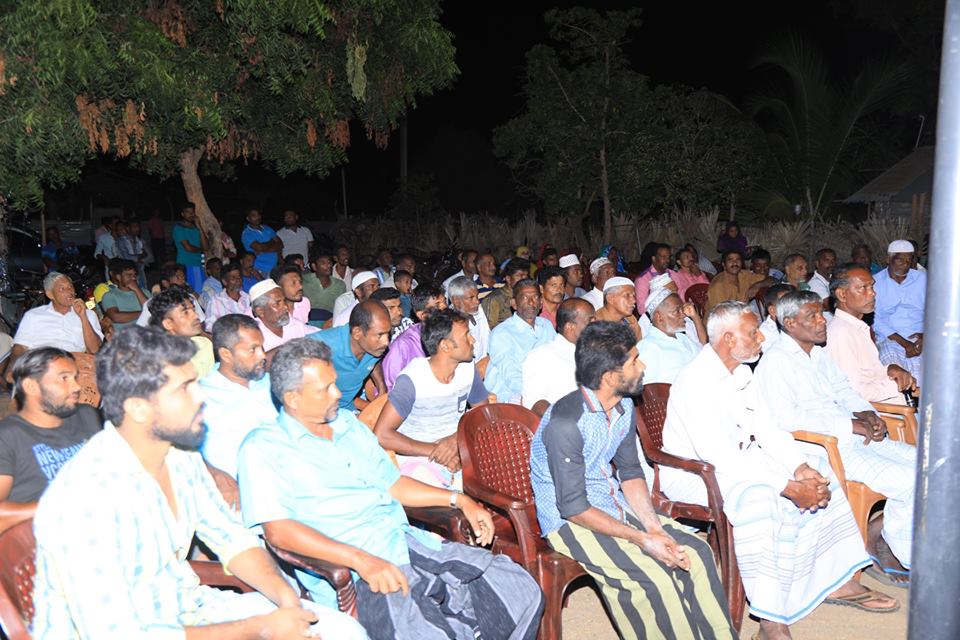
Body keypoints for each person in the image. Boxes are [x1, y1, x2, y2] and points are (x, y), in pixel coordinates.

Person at [31, 327, 363, 639]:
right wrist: (261, 628)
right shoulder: (84, 499)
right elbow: (120, 634)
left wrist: (287, 602)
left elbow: (231, 538)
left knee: (342, 631)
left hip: (190, 610)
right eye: (184, 388)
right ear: (139, 409)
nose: (201, 397)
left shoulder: (180, 455)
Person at [236, 338, 543, 639]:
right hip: (358, 571)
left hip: (404, 542)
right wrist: (359, 560)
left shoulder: (347, 425)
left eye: (334, 383)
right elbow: (279, 532)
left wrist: (460, 500)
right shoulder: (264, 448)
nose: (338, 393)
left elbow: (393, 484)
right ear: (293, 398)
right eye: (325, 389)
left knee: (519, 589)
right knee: (425, 629)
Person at [661, 302, 896, 637]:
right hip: (696, 475)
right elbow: (719, 457)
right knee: (759, 497)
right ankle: (771, 619)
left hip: (737, 462)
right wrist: (787, 486)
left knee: (820, 469)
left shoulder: (741, 372)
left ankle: (836, 580)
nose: (761, 338)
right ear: (728, 339)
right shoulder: (695, 380)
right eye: (753, 332)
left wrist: (799, 468)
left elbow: (768, 430)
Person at [530, 321, 735, 640]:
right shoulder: (566, 423)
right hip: (568, 521)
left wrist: (654, 528)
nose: (643, 366)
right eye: (635, 361)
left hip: (611, 503)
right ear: (610, 377)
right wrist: (642, 539)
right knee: (653, 577)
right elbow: (572, 507)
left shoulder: (623, 405)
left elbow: (630, 472)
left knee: (696, 552)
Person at [755, 289, 916, 587]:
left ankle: (879, 533)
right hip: (825, 448)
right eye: (812, 316)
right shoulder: (776, 361)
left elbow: (844, 390)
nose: (822, 321)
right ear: (790, 324)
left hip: (852, 438)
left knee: (930, 466)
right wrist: (850, 425)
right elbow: (786, 419)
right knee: (909, 481)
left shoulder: (817, 354)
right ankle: (902, 556)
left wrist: (868, 414)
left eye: (821, 313)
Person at [374, 309, 489, 489]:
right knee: (446, 495)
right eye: (466, 336)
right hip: (418, 457)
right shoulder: (413, 380)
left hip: (460, 447)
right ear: (445, 346)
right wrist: (437, 451)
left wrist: (455, 441)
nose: (473, 340)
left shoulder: (467, 369)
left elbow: (482, 413)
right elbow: (382, 435)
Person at [0, 348, 100, 532]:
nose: (76, 386)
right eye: (64, 378)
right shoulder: (8, 436)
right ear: (31, 386)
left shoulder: (86, 416)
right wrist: (60, 506)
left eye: (75, 377)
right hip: (43, 536)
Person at [200, 314, 277, 479]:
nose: (263, 356)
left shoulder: (271, 383)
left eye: (262, 347)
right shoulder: (200, 396)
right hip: (236, 483)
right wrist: (215, 474)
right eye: (253, 349)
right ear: (226, 354)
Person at [826, 264, 917, 404]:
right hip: (883, 414)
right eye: (863, 288)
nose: (872, 293)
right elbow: (853, 392)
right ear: (842, 295)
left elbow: (869, 374)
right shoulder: (840, 332)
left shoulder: (856, 327)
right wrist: (895, 385)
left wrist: (889, 369)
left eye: (872, 287)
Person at [5, 272, 102, 383]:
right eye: (62, 289)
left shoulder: (88, 314)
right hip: (42, 366)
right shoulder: (34, 316)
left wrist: (83, 317)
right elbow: (20, 347)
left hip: (75, 366)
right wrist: (13, 369)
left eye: (70, 287)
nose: (69, 291)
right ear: (50, 294)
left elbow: (94, 350)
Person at [308, 301, 390, 410]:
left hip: (347, 410)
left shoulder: (373, 348)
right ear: (357, 333)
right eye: (380, 335)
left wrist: (381, 386)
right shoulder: (322, 346)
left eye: (388, 334)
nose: (386, 342)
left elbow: (373, 360)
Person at [486, 279, 556, 404]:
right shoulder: (502, 332)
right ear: (514, 303)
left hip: (543, 391)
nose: (531, 302)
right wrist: (535, 394)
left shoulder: (546, 325)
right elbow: (510, 373)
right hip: (509, 395)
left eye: (535, 297)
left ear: (541, 302)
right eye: (524, 298)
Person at [522, 298, 595, 415]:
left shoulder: (597, 353)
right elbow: (535, 402)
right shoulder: (541, 357)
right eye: (590, 321)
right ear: (570, 326)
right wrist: (567, 420)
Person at [873, 239, 926, 386]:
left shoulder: (923, 279)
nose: (905, 263)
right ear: (888, 259)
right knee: (894, 374)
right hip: (890, 339)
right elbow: (875, 319)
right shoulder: (875, 283)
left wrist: (925, 335)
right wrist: (904, 343)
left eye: (909, 259)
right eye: (900, 259)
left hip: (921, 338)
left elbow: (934, 311)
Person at [382, 284, 447, 391]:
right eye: (437, 304)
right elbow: (390, 389)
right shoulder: (402, 346)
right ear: (422, 315)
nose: (444, 307)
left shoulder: (453, 332)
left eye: (444, 302)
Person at [635, 289, 703, 385]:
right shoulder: (648, 348)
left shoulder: (682, 338)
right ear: (659, 317)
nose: (683, 315)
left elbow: (703, 355)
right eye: (677, 311)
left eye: (682, 310)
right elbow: (647, 389)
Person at [149, 286, 217, 379]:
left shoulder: (203, 345)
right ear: (168, 324)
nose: (196, 315)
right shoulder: (157, 358)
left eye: (193, 310)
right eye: (185, 312)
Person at [250, 279, 319, 353]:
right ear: (260, 311)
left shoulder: (293, 324)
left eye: (284, 301)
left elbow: (318, 334)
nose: (285, 307)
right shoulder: (253, 336)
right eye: (277, 304)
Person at [705, 251, 771, 313]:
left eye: (738, 259)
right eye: (730, 260)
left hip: (740, 315)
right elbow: (719, 315)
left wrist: (758, 285)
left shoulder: (744, 275)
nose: (735, 263)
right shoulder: (718, 286)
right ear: (724, 265)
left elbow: (771, 280)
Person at [447, 276, 490, 362]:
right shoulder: (448, 323)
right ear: (456, 301)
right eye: (471, 298)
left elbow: (487, 338)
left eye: (477, 296)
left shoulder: (480, 310)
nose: (477, 301)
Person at [481, 257, 530, 330]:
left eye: (526, 276)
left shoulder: (528, 296)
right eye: (519, 275)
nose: (524, 280)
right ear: (508, 279)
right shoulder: (494, 299)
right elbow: (489, 329)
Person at [100, 258, 148, 332]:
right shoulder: (109, 296)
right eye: (129, 275)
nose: (133, 278)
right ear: (119, 277)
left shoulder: (144, 292)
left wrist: (137, 290)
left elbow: (151, 310)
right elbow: (116, 317)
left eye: (135, 275)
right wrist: (144, 313)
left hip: (148, 333)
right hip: (125, 336)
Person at [204, 262, 252, 331]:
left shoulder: (248, 298)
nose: (238, 280)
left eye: (239, 277)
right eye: (233, 278)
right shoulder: (216, 301)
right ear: (224, 282)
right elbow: (210, 326)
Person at [172, 203, 207, 292]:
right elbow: (188, 248)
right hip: (185, 263)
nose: (191, 214)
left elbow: (206, 246)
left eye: (192, 212)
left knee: (199, 292)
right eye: (188, 212)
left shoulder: (196, 229)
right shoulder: (179, 228)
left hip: (198, 264)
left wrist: (199, 226)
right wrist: (201, 249)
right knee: (190, 292)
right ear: (182, 214)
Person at [594, 277, 642, 342]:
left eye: (634, 296)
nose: (634, 301)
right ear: (610, 298)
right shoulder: (596, 325)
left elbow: (640, 345)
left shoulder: (631, 319)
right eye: (627, 295)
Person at [301, 252, 346, 321]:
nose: (328, 265)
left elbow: (342, 309)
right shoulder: (304, 281)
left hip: (330, 321)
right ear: (314, 266)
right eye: (323, 263)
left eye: (329, 262)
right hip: (308, 320)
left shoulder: (340, 285)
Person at [633, 243, 672, 316]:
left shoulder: (673, 274)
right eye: (663, 257)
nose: (667, 260)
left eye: (669, 257)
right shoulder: (643, 279)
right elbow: (641, 309)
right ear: (654, 258)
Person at [241, 208, 282, 276]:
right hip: (260, 269)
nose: (257, 217)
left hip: (275, 268)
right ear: (248, 218)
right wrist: (272, 241)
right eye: (254, 215)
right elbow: (260, 248)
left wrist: (264, 249)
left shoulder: (267, 228)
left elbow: (280, 244)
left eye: (258, 215)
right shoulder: (247, 234)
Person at [757, 283, 793, 353]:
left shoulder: (798, 322)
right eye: (786, 305)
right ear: (772, 310)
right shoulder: (766, 333)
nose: (793, 309)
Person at [118, 219, 150, 287]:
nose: (137, 229)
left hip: (141, 271)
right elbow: (126, 257)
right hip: (128, 273)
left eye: (138, 227)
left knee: (143, 289)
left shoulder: (140, 240)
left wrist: (138, 259)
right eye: (134, 227)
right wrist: (141, 256)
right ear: (128, 228)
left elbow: (151, 257)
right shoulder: (121, 241)